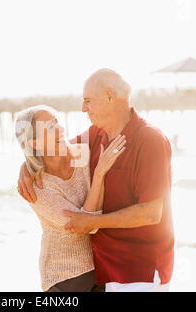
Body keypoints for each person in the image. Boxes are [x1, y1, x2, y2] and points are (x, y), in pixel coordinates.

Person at [17, 69, 174, 292]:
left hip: (142, 271)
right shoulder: (95, 136)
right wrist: (28, 166)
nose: (83, 108)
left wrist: (92, 221)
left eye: (88, 101)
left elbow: (151, 213)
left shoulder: (150, 139)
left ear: (110, 96)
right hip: (106, 272)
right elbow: (54, 147)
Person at [14, 105, 125, 292]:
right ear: (34, 143)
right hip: (63, 279)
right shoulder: (38, 187)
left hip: (100, 268)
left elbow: (113, 120)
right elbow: (86, 225)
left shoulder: (81, 153)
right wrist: (99, 174)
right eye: (50, 128)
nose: (60, 129)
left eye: (57, 122)